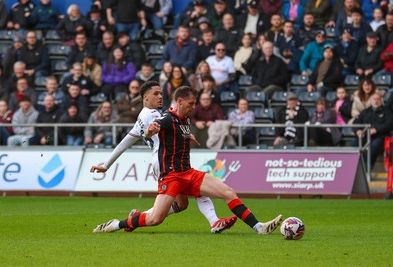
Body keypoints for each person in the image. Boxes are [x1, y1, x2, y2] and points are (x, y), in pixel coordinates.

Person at [92, 85, 283, 234]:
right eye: (191, 104)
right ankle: (117, 224)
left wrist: (186, 135)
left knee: (225, 192)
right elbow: (153, 129)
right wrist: (151, 132)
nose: (194, 108)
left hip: (187, 172)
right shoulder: (161, 117)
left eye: (161, 93)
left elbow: (133, 139)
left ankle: (259, 227)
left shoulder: (183, 119)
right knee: (155, 219)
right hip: (169, 173)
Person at [353, 92, 393, 169]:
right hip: (365, 136)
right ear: (370, 101)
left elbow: (389, 125)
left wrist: (376, 130)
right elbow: (356, 123)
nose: (376, 101)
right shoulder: (365, 112)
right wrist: (357, 130)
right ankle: (355, 167)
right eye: (374, 99)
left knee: (373, 146)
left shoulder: (387, 111)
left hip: (381, 136)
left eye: (378, 99)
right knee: (354, 143)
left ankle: (367, 168)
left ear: (381, 101)